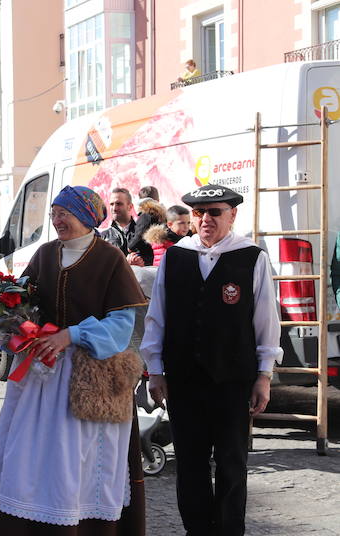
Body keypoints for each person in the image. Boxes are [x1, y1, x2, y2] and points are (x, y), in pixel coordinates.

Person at [0, 185, 147, 536]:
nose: (57, 220)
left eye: (64, 213)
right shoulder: (44, 254)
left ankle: (79, 525)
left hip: (91, 378)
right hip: (42, 373)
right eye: (54, 213)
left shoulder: (110, 259)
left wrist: (70, 335)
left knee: (77, 459)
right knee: (32, 454)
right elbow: (22, 304)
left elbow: (121, 327)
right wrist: (11, 325)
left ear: (86, 216)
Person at [141, 184, 282, 536]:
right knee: (190, 463)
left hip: (233, 378)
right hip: (185, 378)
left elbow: (266, 320)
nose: (205, 220)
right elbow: (157, 318)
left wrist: (264, 374)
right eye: (199, 213)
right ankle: (198, 530)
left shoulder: (251, 257)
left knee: (233, 463)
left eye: (214, 212)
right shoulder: (176, 257)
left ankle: (231, 530)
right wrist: (155, 371)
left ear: (232, 215)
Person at [126, 194, 167, 267]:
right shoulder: (160, 217)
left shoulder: (145, 216)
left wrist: (130, 246)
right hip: (155, 256)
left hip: (143, 257)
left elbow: (139, 234)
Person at [100, 187, 136, 255]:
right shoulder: (102, 237)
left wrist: (141, 263)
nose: (114, 208)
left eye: (119, 204)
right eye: (111, 204)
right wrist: (125, 263)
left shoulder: (144, 234)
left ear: (130, 206)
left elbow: (156, 260)